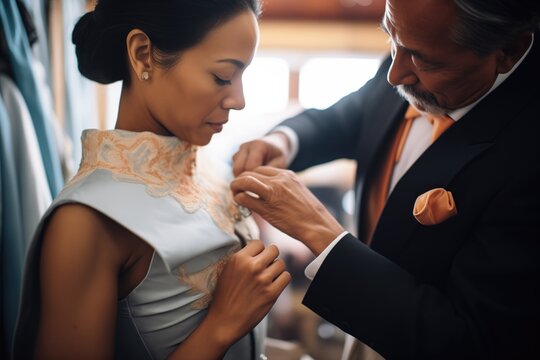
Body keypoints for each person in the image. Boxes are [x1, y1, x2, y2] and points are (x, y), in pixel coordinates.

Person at [230, 0, 540, 359]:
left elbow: (468, 343)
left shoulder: (528, 157)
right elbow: (357, 111)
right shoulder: (412, 50)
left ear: (508, 50)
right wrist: (284, 140)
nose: (395, 74)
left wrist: (322, 234)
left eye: (424, 59)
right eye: (391, 39)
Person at [12, 0, 291, 359]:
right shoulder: (86, 223)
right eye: (223, 76)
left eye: (242, 76)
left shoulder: (218, 172)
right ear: (143, 54)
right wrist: (220, 326)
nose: (239, 99)